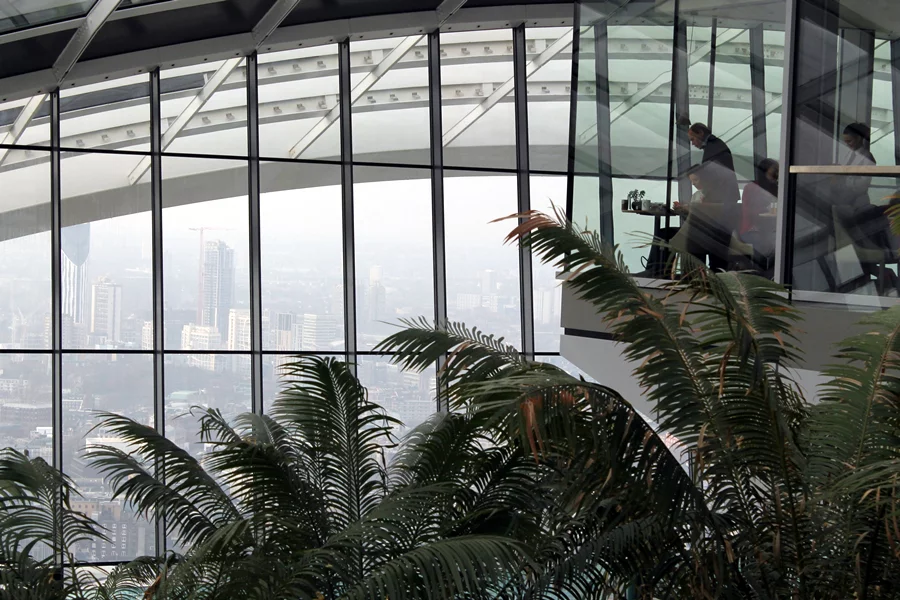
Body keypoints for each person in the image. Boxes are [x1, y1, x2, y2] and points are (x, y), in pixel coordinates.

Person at [686, 122, 740, 270]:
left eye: (693, 139)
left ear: (700, 133)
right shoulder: (716, 146)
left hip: (721, 202)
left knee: (710, 242)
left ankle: (705, 273)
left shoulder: (713, 149)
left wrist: (707, 198)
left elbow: (714, 177)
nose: (693, 143)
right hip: (723, 200)